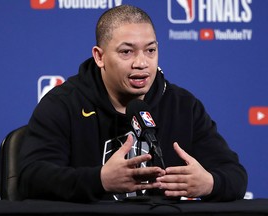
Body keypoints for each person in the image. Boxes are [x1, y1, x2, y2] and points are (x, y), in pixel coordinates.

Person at [18, 4, 247, 203]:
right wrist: (100, 180)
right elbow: (31, 178)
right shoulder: (62, 104)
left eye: (150, 50)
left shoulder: (183, 105)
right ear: (100, 57)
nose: (141, 63)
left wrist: (209, 184)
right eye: (126, 52)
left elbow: (235, 175)